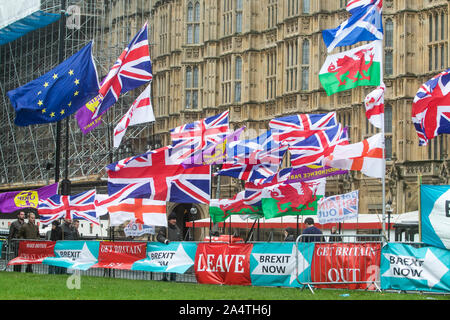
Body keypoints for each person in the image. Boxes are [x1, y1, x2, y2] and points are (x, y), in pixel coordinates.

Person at [157, 212, 182, 281]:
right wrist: (165, 241)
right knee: (166, 264)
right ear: (169, 220)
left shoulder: (177, 229)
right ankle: (164, 277)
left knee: (174, 264)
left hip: (175, 250)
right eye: (173, 219)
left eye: (175, 219)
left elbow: (180, 239)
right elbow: (159, 236)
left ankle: (173, 278)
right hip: (166, 250)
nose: (175, 221)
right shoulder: (164, 228)